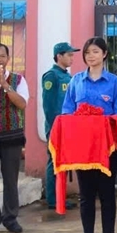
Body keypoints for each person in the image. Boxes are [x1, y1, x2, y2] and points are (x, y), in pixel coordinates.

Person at [61, 37, 117, 233]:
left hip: (107, 147)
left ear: (105, 54)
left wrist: (101, 121)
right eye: (87, 52)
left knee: (107, 192)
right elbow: (67, 111)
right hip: (83, 149)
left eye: (95, 52)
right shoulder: (76, 81)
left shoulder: (114, 83)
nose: (91, 56)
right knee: (86, 193)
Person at [0, 43, 29, 233]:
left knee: (11, 180)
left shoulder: (18, 79)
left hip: (12, 138)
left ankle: (10, 218)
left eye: (2, 56)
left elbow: (22, 104)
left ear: (8, 59)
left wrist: (5, 85)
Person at [41, 42, 80, 218]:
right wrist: (54, 126)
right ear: (59, 56)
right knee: (54, 160)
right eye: (69, 55)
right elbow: (48, 105)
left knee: (62, 161)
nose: (72, 58)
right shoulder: (52, 76)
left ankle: (60, 197)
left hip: (67, 126)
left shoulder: (66, 76)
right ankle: (53, 198)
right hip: (56, 126)